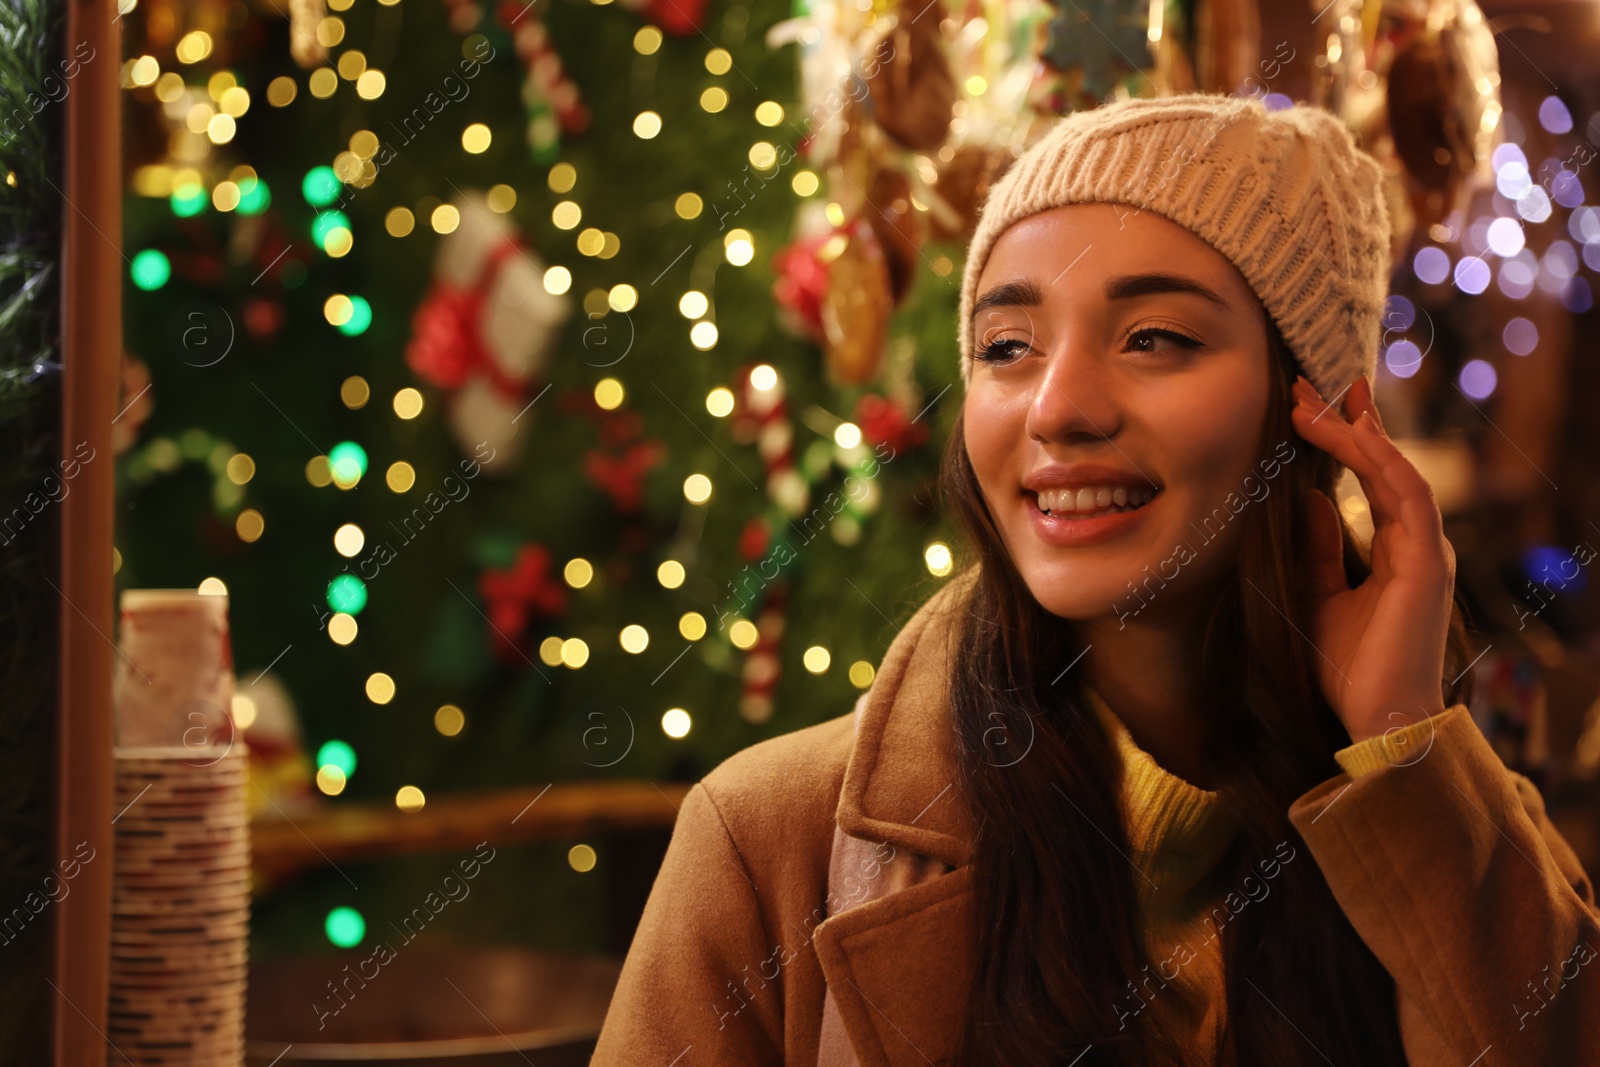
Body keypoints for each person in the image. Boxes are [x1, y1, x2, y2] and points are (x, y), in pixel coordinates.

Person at [590, 93, 1600, 1067]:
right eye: (1006, 347)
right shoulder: (765, 840)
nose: (1058, 407)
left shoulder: (1445, 811)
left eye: (1154, 337)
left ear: (1316, 410)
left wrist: (1398, 741)